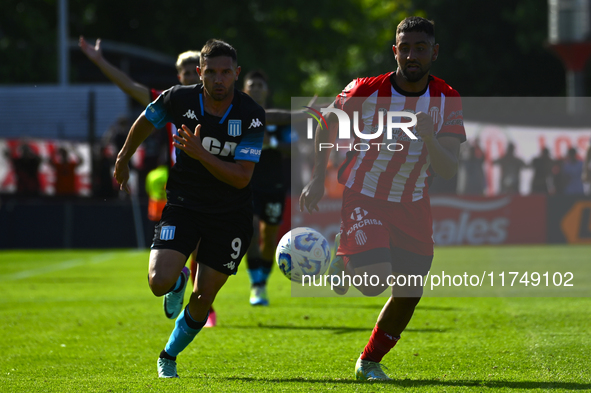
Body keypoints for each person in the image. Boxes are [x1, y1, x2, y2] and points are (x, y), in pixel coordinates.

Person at [300, 17, 465, 381]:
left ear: (434, 53)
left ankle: (369, 362)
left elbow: (449, 168)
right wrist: (315, 178)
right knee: (374, 282)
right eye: (404, 48)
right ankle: (348, 256)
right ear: (395, 51)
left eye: (419, 48)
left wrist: (430, 139)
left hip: (413, 202)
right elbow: (326, 124)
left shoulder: (447, 99)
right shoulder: (364, 90)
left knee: (410, 292)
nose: (411, 55)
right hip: (365, 195)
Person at [113, 39, 265, 378]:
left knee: (203, 298)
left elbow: (241, 178)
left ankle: (168, 355)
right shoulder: (178, 98)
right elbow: (146, 118)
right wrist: (123, 158)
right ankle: (178, 277)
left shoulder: (251, 114)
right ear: (199, 73)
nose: (219, 79)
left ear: (236, 74)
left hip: (230, 216)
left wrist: (200, 153)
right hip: (184, 204)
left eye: (226, 72)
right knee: (158, 281)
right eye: (211, 72)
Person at [79, 37, 219, 326]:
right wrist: (99, 61)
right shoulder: (172, 99)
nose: (191, 76)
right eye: (186, 72)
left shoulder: (221, 101)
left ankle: (200, 300)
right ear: (179, 76)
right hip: (183, 187)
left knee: (205, 246)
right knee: (194, 243)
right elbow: (129, 87)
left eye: (196, 70)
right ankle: (187, 287)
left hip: (218, 182)